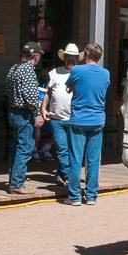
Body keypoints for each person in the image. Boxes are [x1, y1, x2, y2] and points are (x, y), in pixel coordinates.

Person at [64, 42, 110, 206]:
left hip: (78, 119)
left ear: (87, 55)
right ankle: (91, 196)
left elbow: (69, 87)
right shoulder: (105, 73)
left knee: (75, 159)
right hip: (97, 119)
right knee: (93, 160)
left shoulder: (77, 70)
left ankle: (74, 196)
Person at [6, 42, 44, 195]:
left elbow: (8, 89)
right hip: (23, 113)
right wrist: (37, 113)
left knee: (16, 147)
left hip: (13, 111)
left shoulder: (13, 68)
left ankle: (13, 181)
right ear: (35, 55)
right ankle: (17, 184)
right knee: (26, 147)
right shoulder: (27, 69)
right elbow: (30, 96)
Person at [42, 43, 79, 188]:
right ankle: (66, 175)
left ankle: (62, 175)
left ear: (78, 59)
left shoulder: (80, 73)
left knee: (72, 150)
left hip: (74, 118)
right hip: (56, 118)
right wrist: (43, 108)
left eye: (74, 57)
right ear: (64, 58)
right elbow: (47, 93)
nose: (71, 59)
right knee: (62, 149)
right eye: (68, 57)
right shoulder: (54, 72)